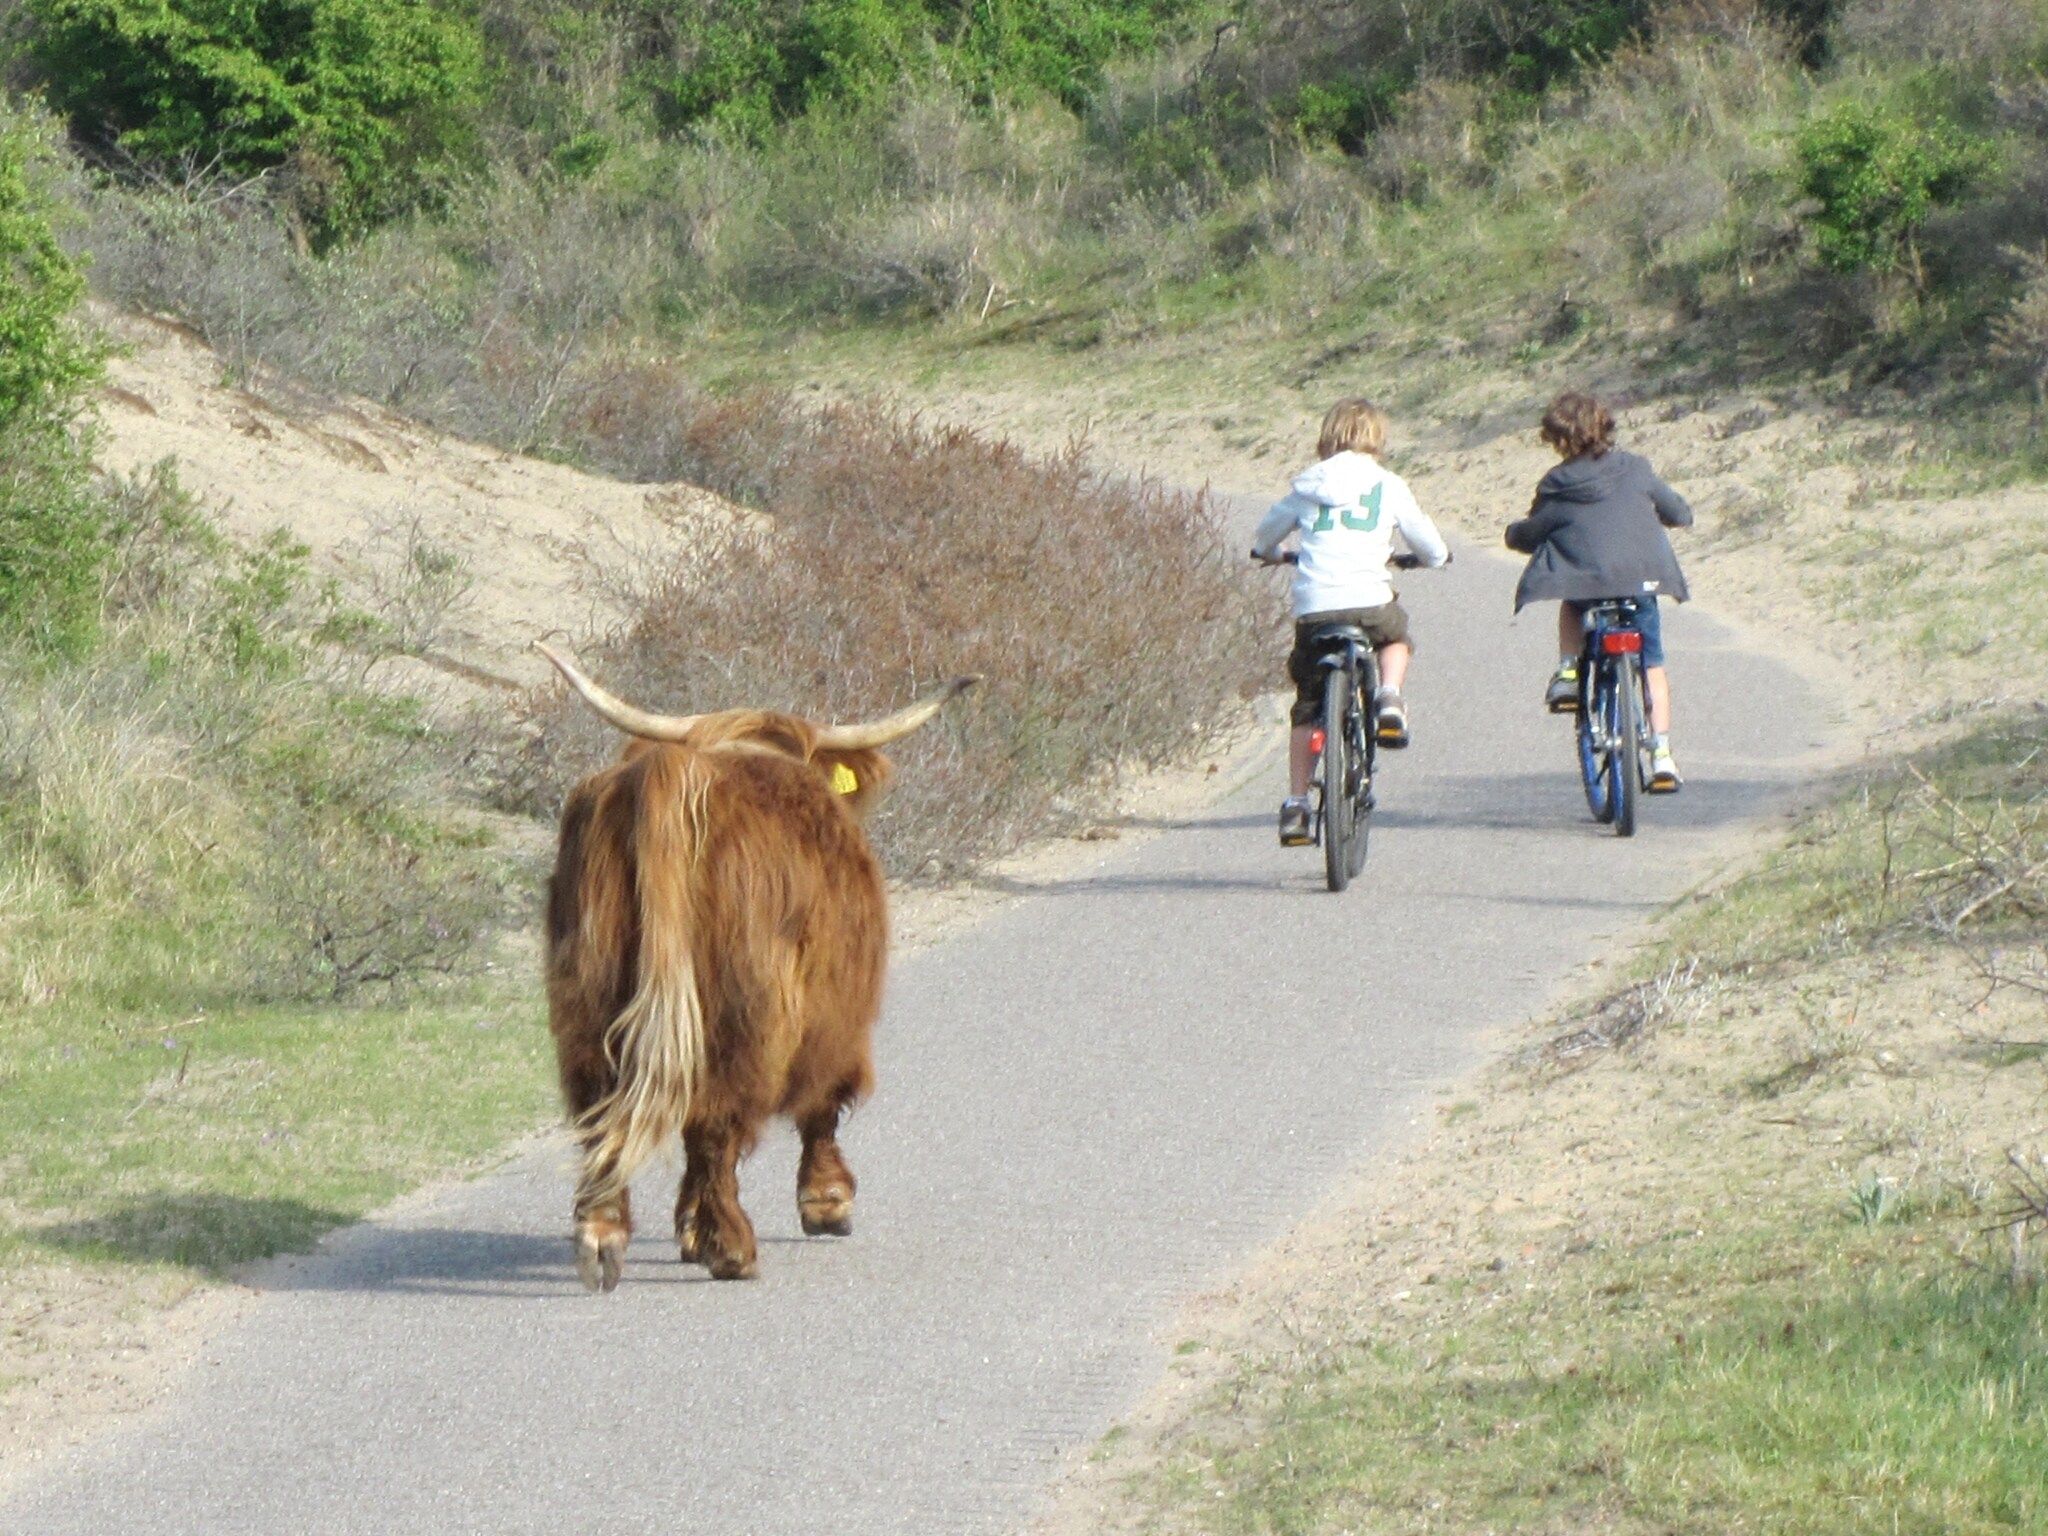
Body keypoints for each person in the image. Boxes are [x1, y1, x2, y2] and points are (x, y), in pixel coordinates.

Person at [1252, 397, 1449, 847]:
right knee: (1395, 636)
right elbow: (1429, 544)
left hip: (1317, 611)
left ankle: (1297, 804)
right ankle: (1390, 697)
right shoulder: (1388, 484)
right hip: (1369, 602)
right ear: (1378, 441)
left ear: (1326, 438)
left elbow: (1265, 536)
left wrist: (1274, 554)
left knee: (1307, 705)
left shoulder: (1306, 486)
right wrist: (1431, 558)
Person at [1504, 391, 1691, 792]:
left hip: (1589, 582)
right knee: (1652, 665)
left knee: (1574, 601)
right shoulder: (1637, 469)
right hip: (1641, 581)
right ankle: (1661, 755)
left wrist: (1515, 535)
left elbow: (1535, 531)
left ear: (1557, 439)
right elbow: (1677, 512)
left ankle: (1569, 672)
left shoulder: (1556, 482)